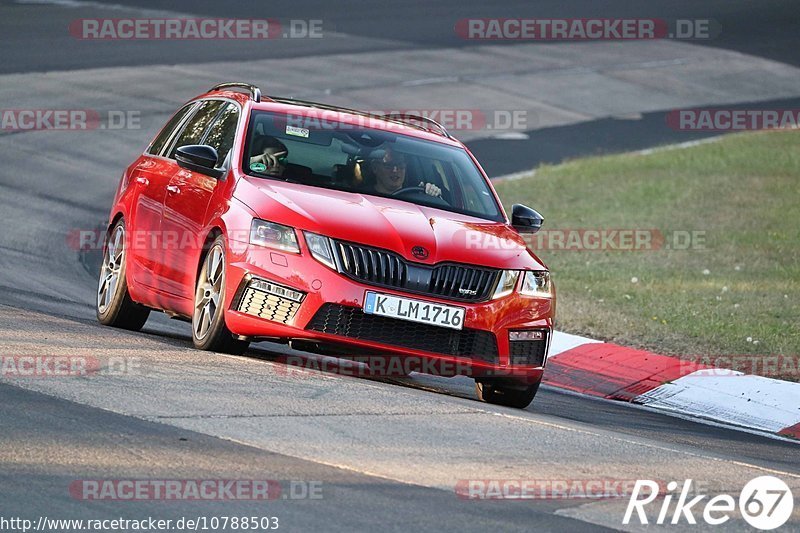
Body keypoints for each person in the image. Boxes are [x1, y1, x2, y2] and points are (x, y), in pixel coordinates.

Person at [367, 148, 441, 197]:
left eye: (400, 165)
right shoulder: (364, 196)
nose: (395, 170)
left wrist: (432, 193)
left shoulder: (416, 196)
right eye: (388, 165)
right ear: (375, 168)